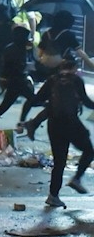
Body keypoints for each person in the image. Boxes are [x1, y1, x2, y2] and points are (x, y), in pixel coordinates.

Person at [23, 56, 94, 208]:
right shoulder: (76, 80)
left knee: (59, 162)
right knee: (89, 150)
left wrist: (48, 105)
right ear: (74, 68)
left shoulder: (51, 80)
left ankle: (53, 195)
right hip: (71, 123)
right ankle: (76, 178)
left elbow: (35, 100)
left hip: (54, 124)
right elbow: (87, 102)